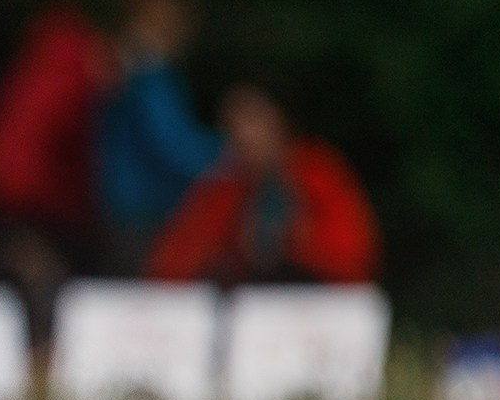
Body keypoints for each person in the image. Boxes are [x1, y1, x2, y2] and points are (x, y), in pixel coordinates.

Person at [0, 3, 113, 340]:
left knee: (26, 275)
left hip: (2, 193)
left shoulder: (37, 67)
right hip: (34, 200)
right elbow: (66, 142)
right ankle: (40, 349)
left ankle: (31, 345)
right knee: (43, 280)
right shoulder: (74, 80)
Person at [146, 85, 381, 285]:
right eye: (231, 122)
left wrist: (299, 240)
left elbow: (356, 258)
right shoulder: (223, 185)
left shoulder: (318, 172)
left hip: (314, 306)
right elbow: (170, 266)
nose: (241, 131)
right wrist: (227, 253)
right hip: (245, 308)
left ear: (281, 120)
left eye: (252, 118)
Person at [95, 0, 221, 271]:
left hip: (125, 209)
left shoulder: (122, 69)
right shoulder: (147, 74)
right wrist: (225, 158)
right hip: (145, 212)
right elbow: (170, 142)